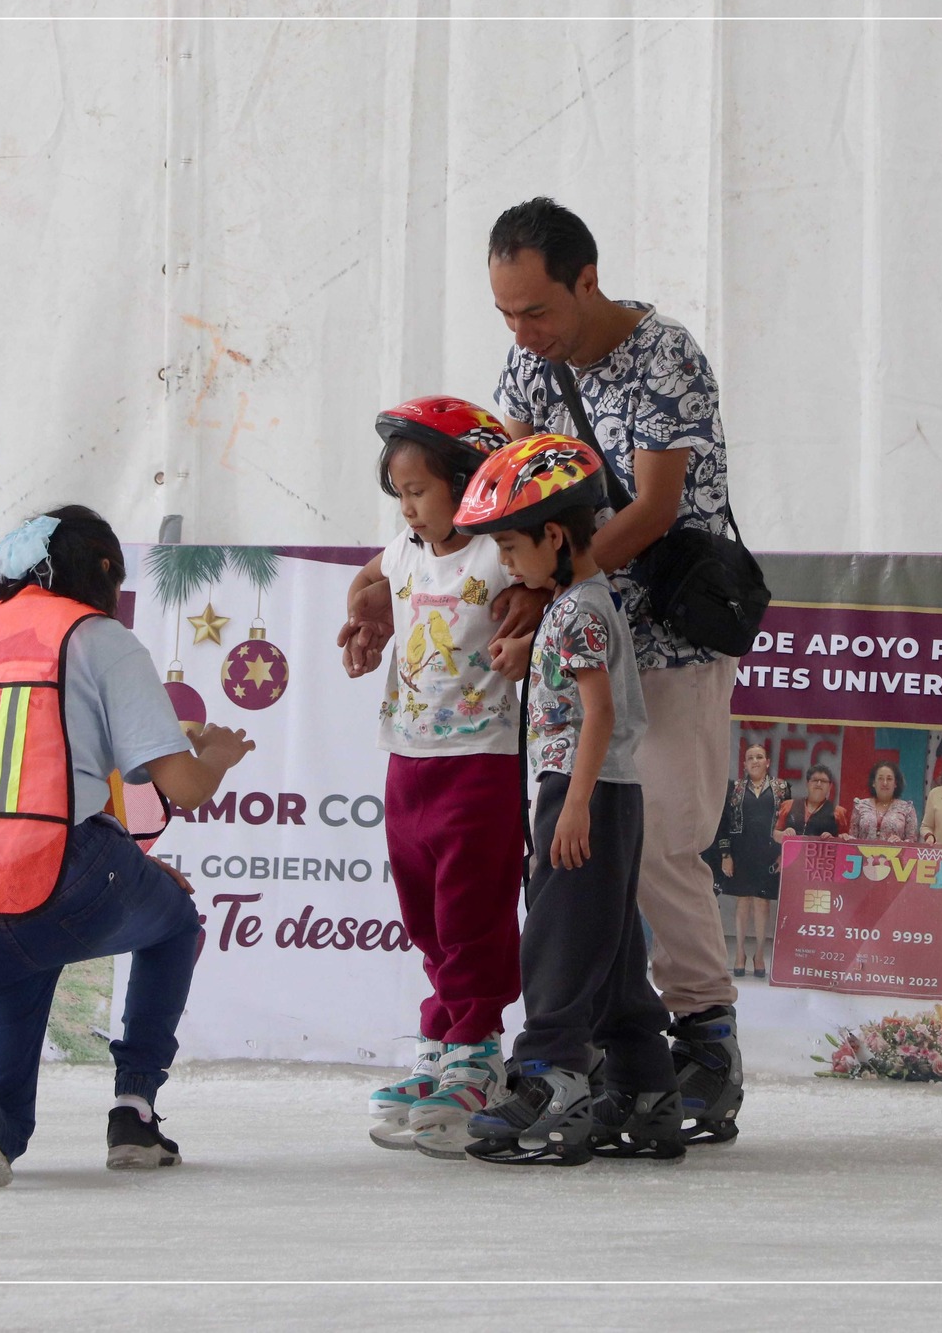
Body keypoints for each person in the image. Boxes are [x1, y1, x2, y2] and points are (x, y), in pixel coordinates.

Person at [487, 197, 745, 1145]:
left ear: (586, 281)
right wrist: (513, 582)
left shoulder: (663, 354)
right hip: (583, 627)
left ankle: (706, 1044)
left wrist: (557, 578)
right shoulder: (526, 358)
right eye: (507, 314)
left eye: (538, 311)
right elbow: (510, 487)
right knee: (582, 851)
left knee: (665, 845)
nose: (523, 334)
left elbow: (654, 508)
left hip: (670, 631)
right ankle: (613, 1055)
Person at [0, 506, 255, 1188]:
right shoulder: (93, 635)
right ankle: (134, 1109)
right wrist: (218, 754)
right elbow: (182, 786)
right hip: (62, 876)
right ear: (100, 569)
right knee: (173, 923)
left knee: (2, 1131)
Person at [451, 434, 683, 1165]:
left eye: (512, 548)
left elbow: (600, 712)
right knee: (608, 944)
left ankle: (551, 1079)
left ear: (555, 535)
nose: (507, 565)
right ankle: (645, 1087)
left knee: (556, 935)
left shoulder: (578, 610)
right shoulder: (580, 602)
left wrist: (575, 802)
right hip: (605, 792)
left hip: (582, 790)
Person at [339, 395, 520, 1158]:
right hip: (407, 761)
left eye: (419, 491)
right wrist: (366, 619)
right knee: (426, 915)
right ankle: (442, 1041)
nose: (408, 508)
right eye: (400, 493)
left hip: (481, 762)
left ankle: (478, 1049)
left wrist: (526, 620)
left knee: (471, 910)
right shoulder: (406, 550)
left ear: (467, 479)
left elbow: (538, 590)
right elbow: (373, 575)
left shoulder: (496, 552)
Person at [715, 744, 789, 980]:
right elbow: (723, 823)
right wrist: (726, 855)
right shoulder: (735, 788)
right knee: (742, 902)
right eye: (750, 758)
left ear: (767, 762)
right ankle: (738, 954)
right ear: (744, 764)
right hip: (741, 851)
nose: (755, 761)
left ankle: (758, 954)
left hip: (768, 852)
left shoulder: (782, 788)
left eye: (759, 757)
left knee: (762, 903)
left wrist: (782, 853)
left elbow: (788, 822)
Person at [848, 761, 919, 843]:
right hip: (863, 855)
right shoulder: (860, 806)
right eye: (880, 778)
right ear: (873, 783)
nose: (885, 783)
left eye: (889, 779)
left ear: (895, 783)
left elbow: (912, 841)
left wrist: (901, 843)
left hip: (896, 855)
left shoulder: (907, 808)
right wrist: (845, 838)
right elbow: (852, 839)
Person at [780, 764, 842, 839]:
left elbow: (845, 840)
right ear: (807, 783)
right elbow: (773, 833)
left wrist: (833, 840)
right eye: (815, 780)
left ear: (830, 786)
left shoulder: (839, 812)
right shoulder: (788, 805)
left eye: (823, 781)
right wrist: (783, 834)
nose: (819, 784)